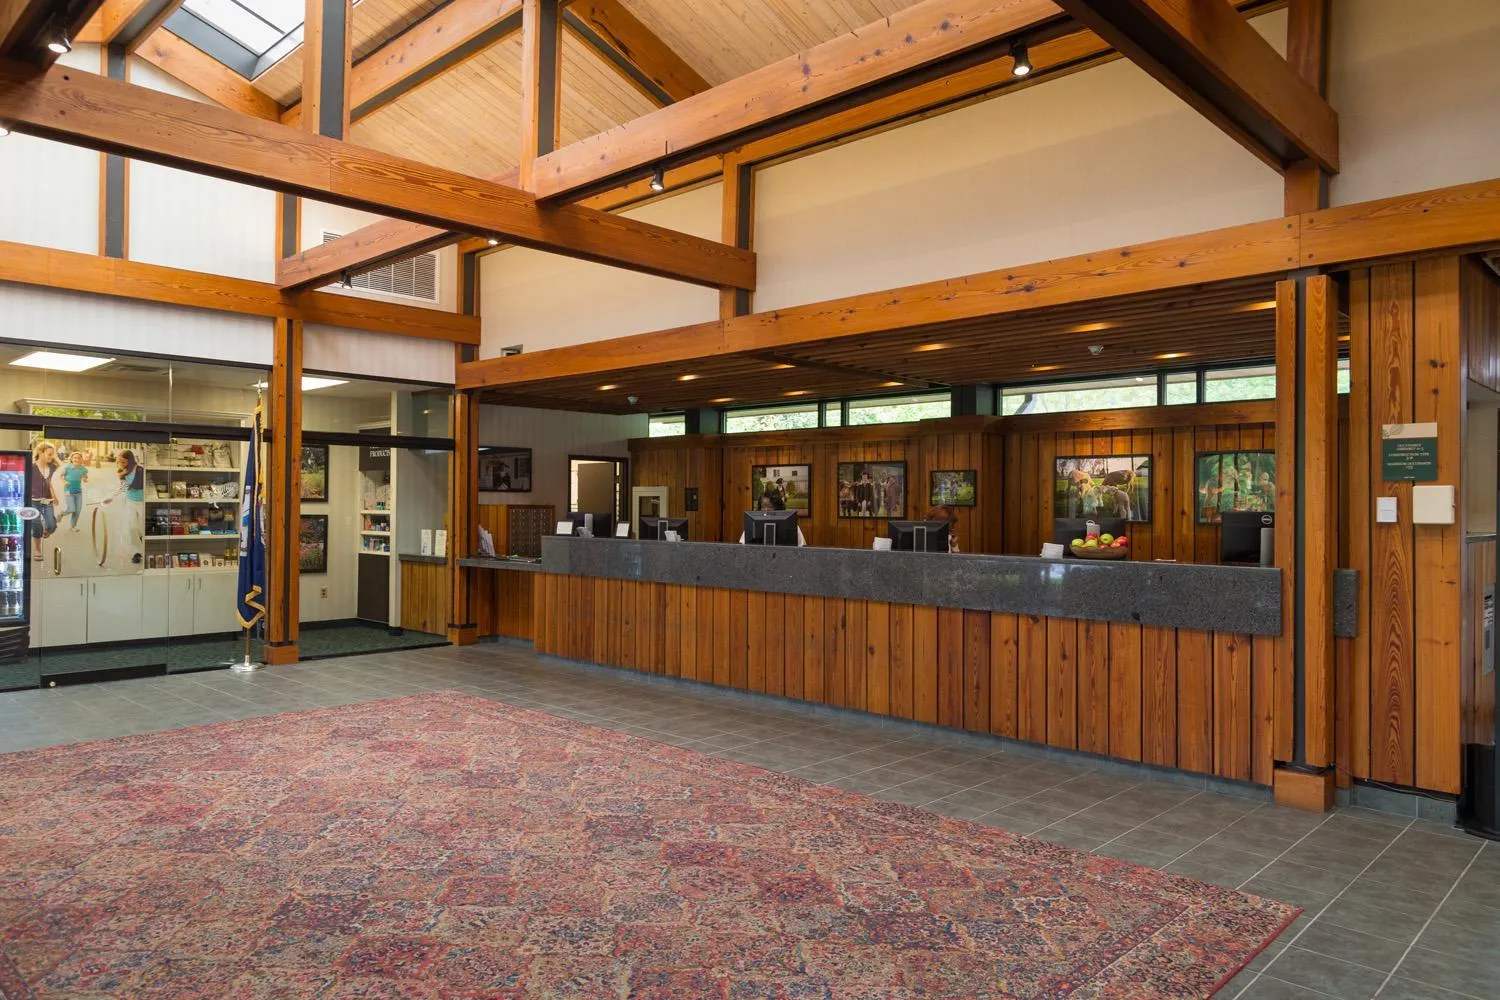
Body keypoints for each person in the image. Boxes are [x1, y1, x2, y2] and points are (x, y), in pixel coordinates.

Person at [28, 441, 59, 560]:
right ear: (40, 453)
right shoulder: (31, 466)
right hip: (33, 501)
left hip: (47, 501)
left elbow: (49, 483)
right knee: (36, 525)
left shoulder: (52, 467)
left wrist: (54, 497)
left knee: (51, 526)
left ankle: (46, 530)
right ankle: (37, 549)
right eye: (49, 454)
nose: (51, 457)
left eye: (52, 454)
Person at [738, 494, 807, 545]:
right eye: (763, 507)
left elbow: (802, 549)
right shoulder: (751, 527)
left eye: (771, 507)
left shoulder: (793, 527)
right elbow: (742, 548)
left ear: (779, 508)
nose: (766, 510)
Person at [61, 451, 88, 530]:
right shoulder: (67, 467)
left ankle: (73, 526)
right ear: (71, 459)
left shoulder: (83, 469)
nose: (77, 459)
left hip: (78, 492)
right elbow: (61, 476)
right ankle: (61, 514)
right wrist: (64, 481)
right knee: (71, 509)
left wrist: (85, 479)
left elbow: (85, 476)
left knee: (78, 510)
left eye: (79, 458)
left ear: (81, 459)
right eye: (75, 458)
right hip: (68, 491)